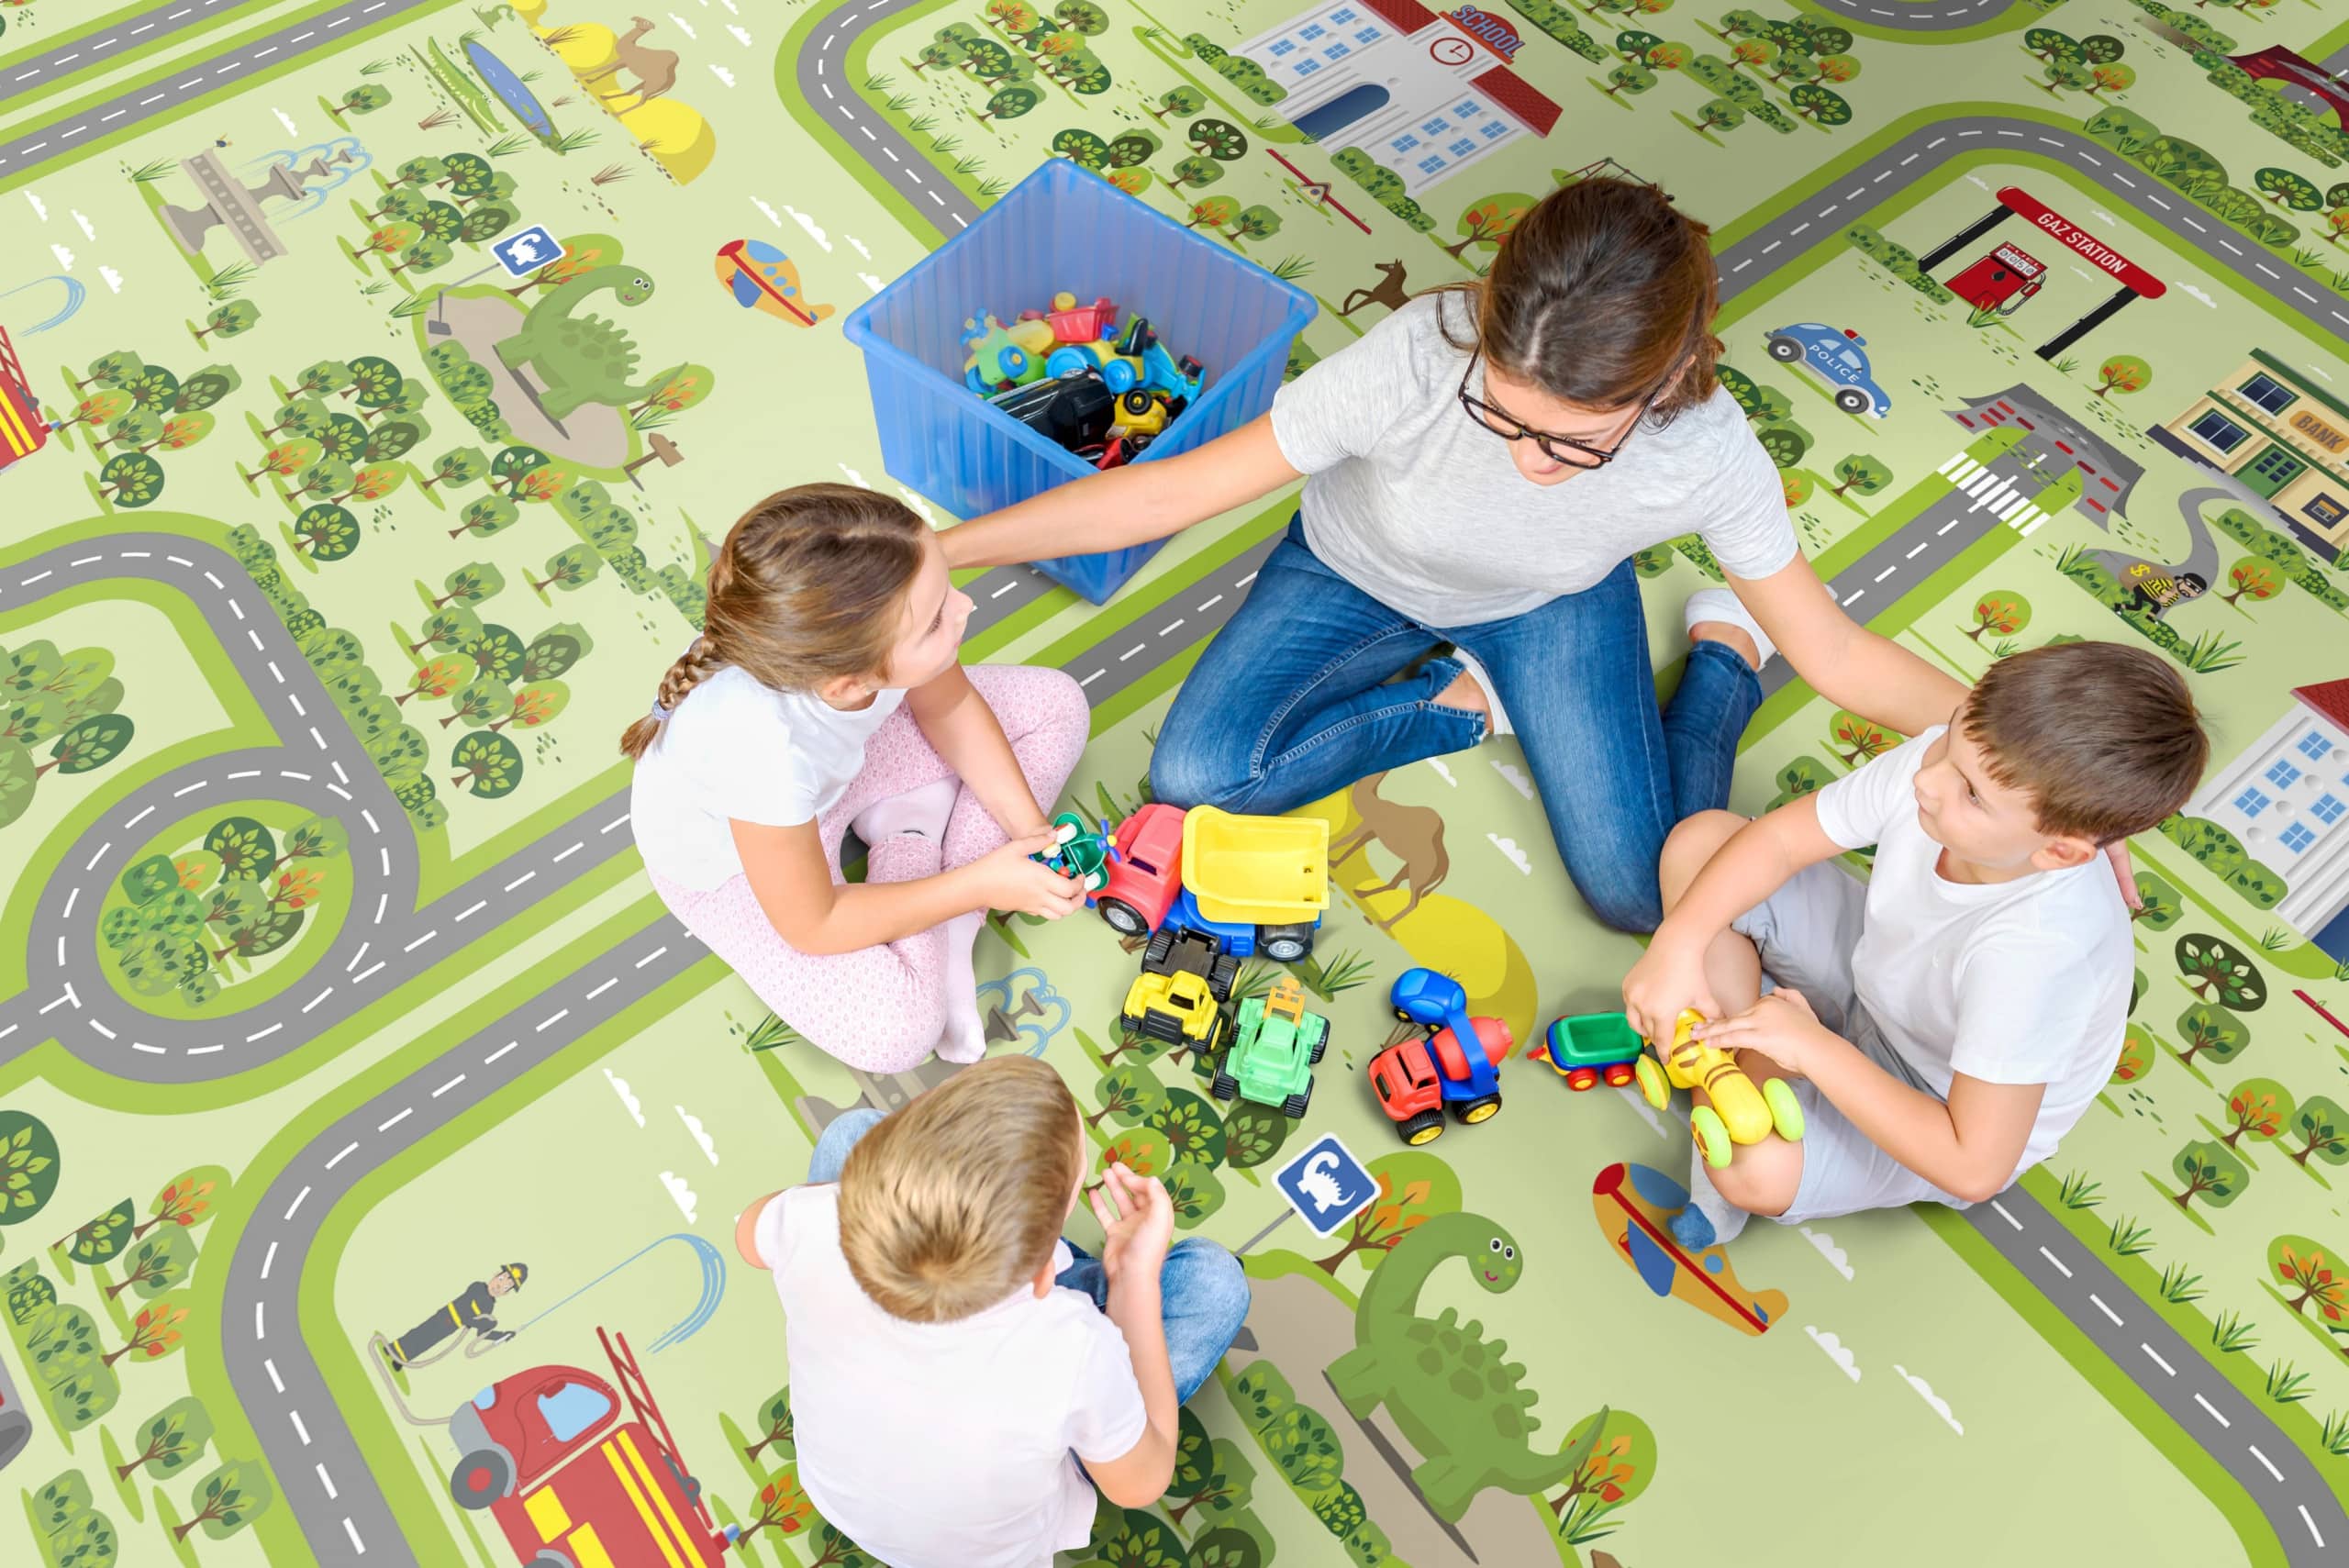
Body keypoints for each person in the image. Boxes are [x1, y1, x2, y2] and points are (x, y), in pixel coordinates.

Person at [939, 176, 1967, 932]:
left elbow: (1832, 651)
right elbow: (1169, 488)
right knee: (1198, 778)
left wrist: (2022, 760)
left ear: (1660, 383)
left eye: (1571, 441)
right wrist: (938, 550)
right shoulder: (1421, 353)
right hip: (1349, 570)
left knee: (1642, 891)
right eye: (1502, 416)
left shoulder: (1703, 449)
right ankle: (1462, 701)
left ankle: (1723, 668)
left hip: (1544, 604)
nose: (1528, 461)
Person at [1620, 642, 2208, 1250]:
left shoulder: (2038, 956)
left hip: (1933, 1095)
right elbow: (1780, 843)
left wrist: (1813, 1049)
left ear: (2057, 851)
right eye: (1953, 738)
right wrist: (1678, 943)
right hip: (1875, 974)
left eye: (1972, 794)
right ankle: (1744, 1055)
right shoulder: (1948, 766)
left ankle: (1740, 1058)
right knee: (1703, 844)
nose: (1927, 780)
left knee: (1755, 1170)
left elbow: (1973, 1165)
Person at [621, 484, 1092, 1071]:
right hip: (740, 871)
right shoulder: (759, 750)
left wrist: (1032, 836)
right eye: (935, 621)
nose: (965, 607)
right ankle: (914, 844)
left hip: (831, 783)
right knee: (894, 1034)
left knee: (1058, 704)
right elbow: (814, 924)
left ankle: (938, 906)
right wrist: (980, 885)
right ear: (851, 684)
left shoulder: (846, 634)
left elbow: (947, 708)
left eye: (944, 588)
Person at [734, 1056, 1250, 1568]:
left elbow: (748, 1237)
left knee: (851, 1131)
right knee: (1214, 1282)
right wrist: (1133, 1277)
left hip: (845, 1495)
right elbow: (1141, 1482)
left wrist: (853, 1202)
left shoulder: (817, 1218)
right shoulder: (1073, 1348)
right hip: (983, 1545)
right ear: (1046, 1276)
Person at [380, 1262, 527, 1370]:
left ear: (506, 1293)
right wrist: (482, 1322)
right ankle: (393, 1348)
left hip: (451, 1327)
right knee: (421, 1332)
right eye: (501, 1279)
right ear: (495, 1276)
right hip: (445, 1316)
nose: (499, 1286)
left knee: (428, 1342)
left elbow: (481, 1334)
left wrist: (501, 1335)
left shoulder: (489, 1307)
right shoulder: (477, 1287)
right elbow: (469, 1312)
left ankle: (402, 1359)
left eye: (506, 1286)